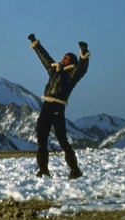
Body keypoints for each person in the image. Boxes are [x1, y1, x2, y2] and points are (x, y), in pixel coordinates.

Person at [27, 33, 90, 179]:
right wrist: (35, 43)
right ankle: (43, 170)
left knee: (62, 140)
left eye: (66, 58)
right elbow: (45, 57)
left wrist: (84, 54)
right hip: (46, 107)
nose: (63, 59)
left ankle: (75, 170)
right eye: (63, 56)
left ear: (71, 62)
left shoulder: (72, 74)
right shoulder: (54, 70)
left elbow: (81, 68)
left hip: (57, 108)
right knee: (41, 141)